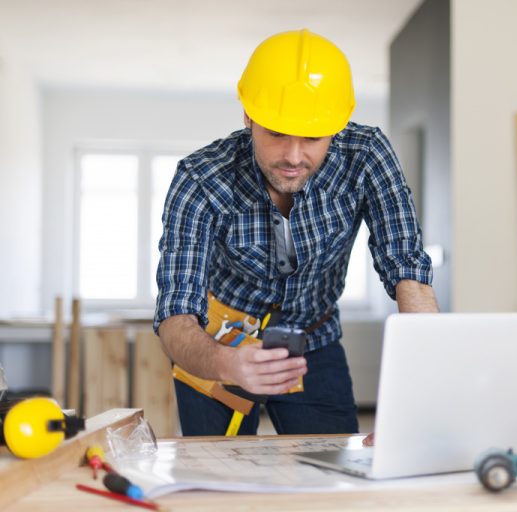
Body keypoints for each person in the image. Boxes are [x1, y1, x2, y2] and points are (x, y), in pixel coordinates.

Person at [154, 29, 438, 437]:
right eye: (275, 133)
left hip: (314, 338)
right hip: (218, 340)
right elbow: (175, 313)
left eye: (311, 138)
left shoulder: (367, 155)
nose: (292, 156)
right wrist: (225, 362)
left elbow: (407, 266)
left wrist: (421, 392)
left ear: (336, 127)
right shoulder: (200, 178)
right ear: (248, 116)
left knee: (334, 475)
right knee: (214, 476)